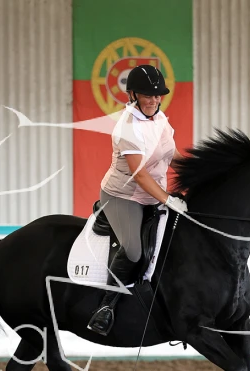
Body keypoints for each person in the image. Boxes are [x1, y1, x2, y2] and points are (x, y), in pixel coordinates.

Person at [87, 64, 188, 336]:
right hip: (124, 196)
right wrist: (168, 200)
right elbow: (140, 175)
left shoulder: (160, 119)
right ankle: (106, 307)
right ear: (132, 95)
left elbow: (172, 155)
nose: (154, 100)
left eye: (157, 95)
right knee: (133, 251)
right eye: (147, 95)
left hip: (153, 194)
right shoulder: (127, 127)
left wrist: (200, 172)